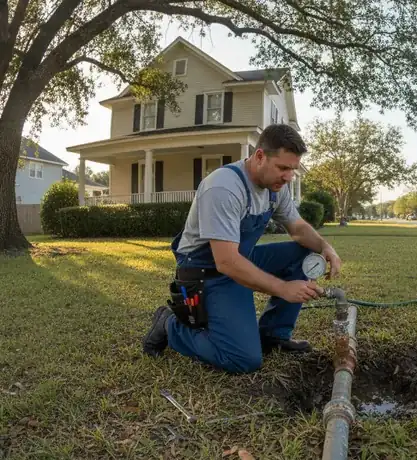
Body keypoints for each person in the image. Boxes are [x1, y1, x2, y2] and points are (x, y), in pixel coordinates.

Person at [141, 124, 342, 374]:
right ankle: (169, 325)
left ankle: (273, 335)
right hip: (206, 271)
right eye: (283, 168)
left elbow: (298, 228)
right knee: (243, 359)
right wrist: (283, 288)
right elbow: (225, 262)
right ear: (259, 156)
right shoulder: (224, 187)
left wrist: (325, 246)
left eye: (292, 169)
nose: (289, 176)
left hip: (240, 259)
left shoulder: (276, 188)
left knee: (304, 253)